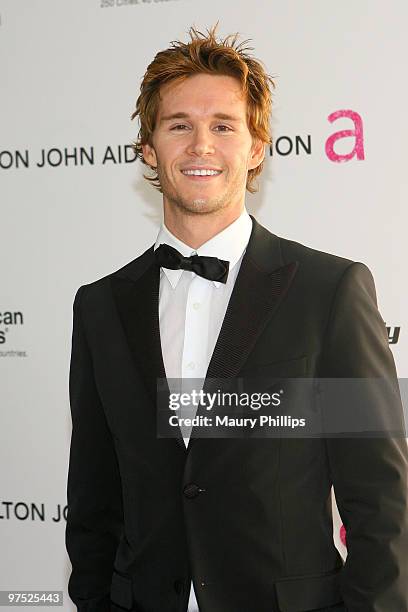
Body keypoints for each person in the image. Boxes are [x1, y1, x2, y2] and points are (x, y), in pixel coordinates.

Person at [65, 24, 408, 612]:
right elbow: (94, 497)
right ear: (149, 148)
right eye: (179, 126)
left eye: (223, 126)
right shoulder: (99, 306)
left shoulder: (331, 291)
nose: (201, 146)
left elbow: (380, 500)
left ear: (256, 148)